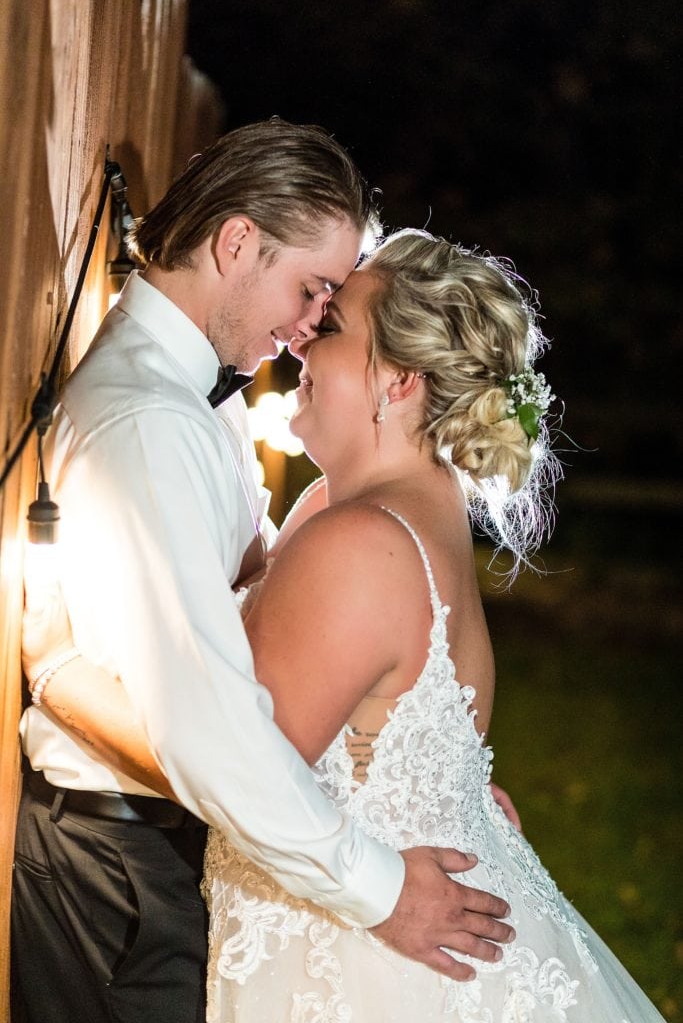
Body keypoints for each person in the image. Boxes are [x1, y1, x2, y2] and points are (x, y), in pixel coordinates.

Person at [21, 228, 665, 1021]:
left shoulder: (358, 542)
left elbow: (237, 768)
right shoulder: (379, 509)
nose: (300, 342)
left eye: (329, 328)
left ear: (396, 382)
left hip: (362, 960)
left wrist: (55, 669)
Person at [12, 123, 514, 1023]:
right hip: (123, 872)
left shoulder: (206, 406)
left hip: (187, 857)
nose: (308, 323)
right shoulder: (149, 423)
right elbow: (217, 728)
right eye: (312, 287)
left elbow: (262, 651)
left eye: (329, 302)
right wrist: (382, 885)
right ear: (237, 242)